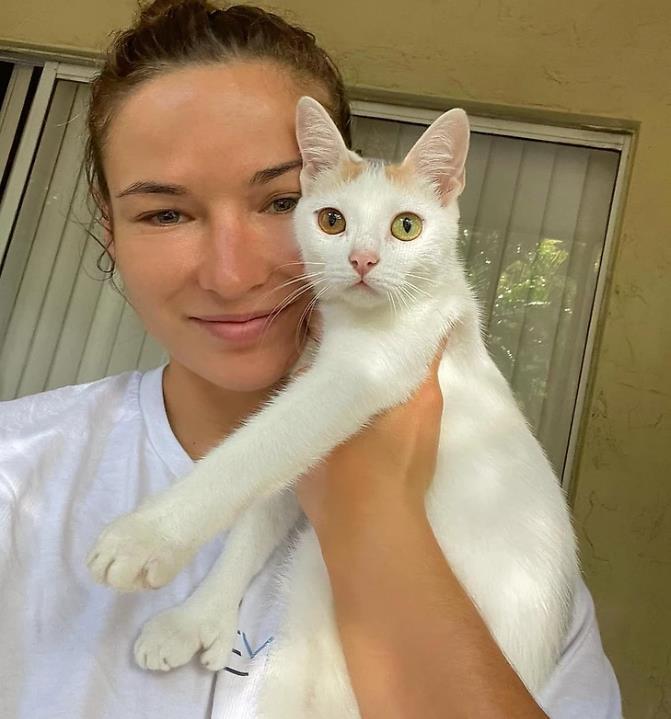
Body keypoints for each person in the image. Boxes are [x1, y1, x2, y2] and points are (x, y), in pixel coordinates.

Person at [0, 1, 622, 717]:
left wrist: (372, 509)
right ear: (108, 227)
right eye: (166, 213)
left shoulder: (536, 577)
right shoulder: (16, 478)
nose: (230, 276)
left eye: (278, 201)